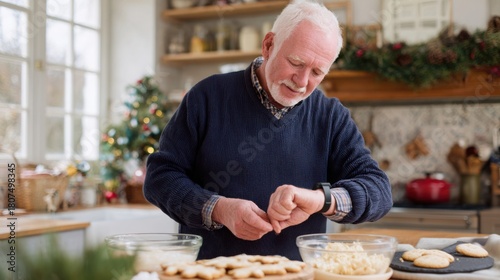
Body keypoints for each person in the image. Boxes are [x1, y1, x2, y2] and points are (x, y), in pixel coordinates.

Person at [144, 0, 392, 260]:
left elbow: (378, 190)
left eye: (318, 71)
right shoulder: (206, 97)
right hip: (211, 273)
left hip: (297, 276)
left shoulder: (331, 116)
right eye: (296, 62)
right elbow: (160, 178)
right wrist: (218, 209)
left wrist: (320, 200)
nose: (303, 82)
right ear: (269, 45)